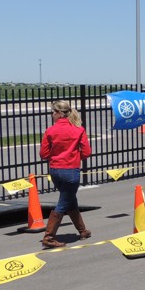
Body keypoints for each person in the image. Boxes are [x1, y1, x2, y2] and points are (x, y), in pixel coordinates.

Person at [39, 99, 92, 248]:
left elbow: (43, 154)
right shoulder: (78, 130)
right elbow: (86, 152)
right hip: (71, 171)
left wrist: (56, 155)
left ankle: (82, 231)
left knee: (69, 199)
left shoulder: (50, 131)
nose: (51, 115)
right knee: (63, 202)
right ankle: (49, 237)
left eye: (52, 113)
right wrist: (74, 157)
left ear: (58, 113)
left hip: (55, 171)